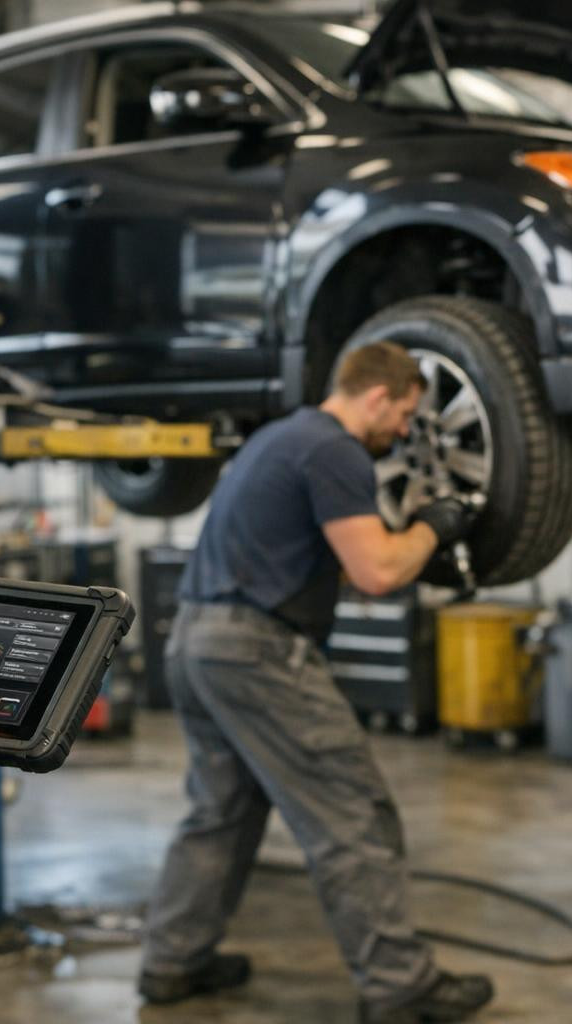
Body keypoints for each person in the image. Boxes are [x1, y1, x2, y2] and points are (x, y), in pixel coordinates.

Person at [136, 341, 495, 1023]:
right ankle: (401, 987)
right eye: (405, 414)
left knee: (222, 813)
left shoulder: (281, 437)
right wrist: (431, 526)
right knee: (352, 811)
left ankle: (172, 962)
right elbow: (379, 571)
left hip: (195, 638)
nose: (404, 432)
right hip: (256, 650)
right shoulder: (335, 450)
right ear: (377, 396)